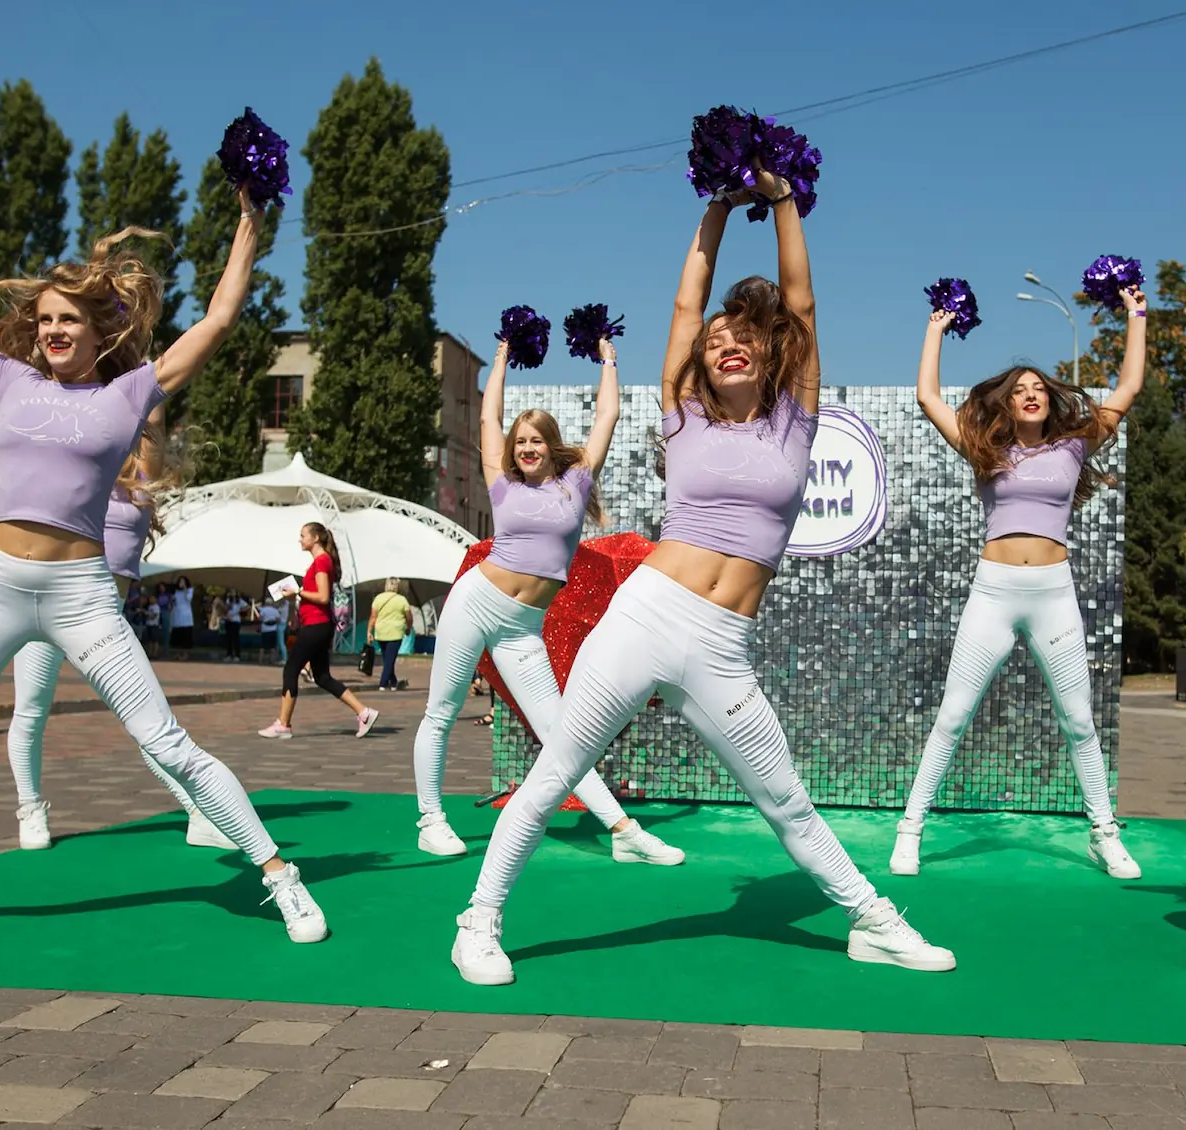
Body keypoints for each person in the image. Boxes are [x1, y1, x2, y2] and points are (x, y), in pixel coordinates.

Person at [449, 181, 957, 986]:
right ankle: (477, 923)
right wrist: (718, 204)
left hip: (722, 646)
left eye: (740, 336)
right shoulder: (684, 412)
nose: (724, 344)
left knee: (786, 801)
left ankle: (874, 923)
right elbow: (688, 305)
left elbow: (802, 304)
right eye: (715, 339)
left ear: (765, 351)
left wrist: (781, 198)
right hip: (645, 618)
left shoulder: (795, 421)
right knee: (555, 774)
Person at [0, 168, 326, 944]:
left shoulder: (127, 395)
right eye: (44, 320)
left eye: (67, 319)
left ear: (99, 329)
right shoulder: (8, 379)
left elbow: (219, 320)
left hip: (81, 592)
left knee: (168, 743)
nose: (53, 330)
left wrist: (248, 222)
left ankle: (281, 877)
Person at [891, 288, 1148, 879]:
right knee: (953, 716)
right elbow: (928, 396)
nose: (1031, 394)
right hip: (995, 592)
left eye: (1038, 388)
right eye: (1019, 390)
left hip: (1054, 593)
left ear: (1050, 400)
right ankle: (910, 830)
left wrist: (1136, 314)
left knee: (1079, 720)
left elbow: (1129, 387)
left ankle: (1104, 834)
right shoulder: (985, 449)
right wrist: (936, 327)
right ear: (1007, 404)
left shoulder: (1075, 445)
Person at [413, 332, 684, 869]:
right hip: (475, 601)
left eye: (536, 440)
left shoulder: (575, 483)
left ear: (551, 445)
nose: (527, 448)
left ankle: (624, 832)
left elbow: (606, 416)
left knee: (563, 735)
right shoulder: (502, 485)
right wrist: (499, 361)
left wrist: (609, 361)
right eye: (520, 442)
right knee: (440, 712)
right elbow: (488, 419)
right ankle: (430, 821)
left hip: (522, 627)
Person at [6, 410, 235, 854]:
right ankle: (30, 807)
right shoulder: (72, 461)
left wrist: (139, 378)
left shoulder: (143, 470)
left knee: (147, 720)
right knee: (31, 710)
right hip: (45, 598)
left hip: (99, 614)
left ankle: (198, 813)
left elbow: (153, 404)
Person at [258, 522, 379, 740]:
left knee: (291, 670)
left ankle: (283, 724)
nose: (300, 539)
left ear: (315, 538)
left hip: (316, 625)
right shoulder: (320, 562)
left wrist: (298, 591)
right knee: (322, 677)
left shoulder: (322, 561)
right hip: (316, 625)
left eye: (302, 535)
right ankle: (364, 712)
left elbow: (323, 597)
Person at [367, 577, 412, 691]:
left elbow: (373, 617)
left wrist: (369, 632)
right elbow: (409, 617)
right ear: (397, 587)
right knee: (389, 659)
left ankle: (393, 682)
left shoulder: (378, 598)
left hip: (381, 632)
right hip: (396, 633)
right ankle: (383, 683)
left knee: (387, 658)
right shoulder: (402, 600)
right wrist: (408, 628)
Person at [170, 575, 195, 661]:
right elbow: (174, 602)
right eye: (180, 581)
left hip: (186, 616)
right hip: (177, 615)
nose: (181, 583)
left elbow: (189, 598)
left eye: (183, 581)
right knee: (177, 636)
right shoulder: (176, 591)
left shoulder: (190, 590)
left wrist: (185, 589)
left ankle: (185, 654)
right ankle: (177, 654)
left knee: (186, 636)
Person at [221, 588, 248, 663]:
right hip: (229, 620)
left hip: (236, 621)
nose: (232, 594)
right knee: (228, 639)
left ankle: (237, 655)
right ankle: (229, 655)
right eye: (231, 592)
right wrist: (227, 607)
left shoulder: (240, 601)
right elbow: (226, 609)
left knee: (235, 639)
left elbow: (247, 606)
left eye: (233, 592)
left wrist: (240, 611)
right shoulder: (228, 600)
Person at [257, 599, 282, 665]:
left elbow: (260, 618)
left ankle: (260, 660)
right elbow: (279, 620)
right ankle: (272, 660)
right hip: (273, 629)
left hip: (264, 629)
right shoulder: (275, 610)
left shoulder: (263, 610)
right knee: (272, 647)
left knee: (262, 646)